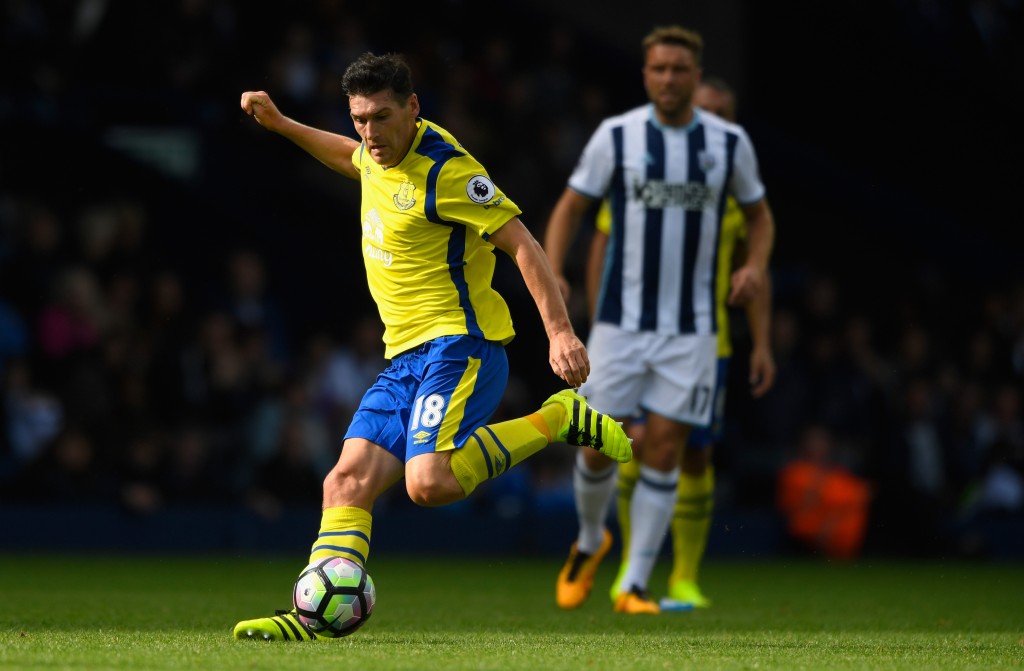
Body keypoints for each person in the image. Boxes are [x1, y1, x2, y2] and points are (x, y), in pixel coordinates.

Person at [234, 52, 632, 641]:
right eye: (360, 118)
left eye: (382, 117)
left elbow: (522, 244)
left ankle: (557, 419)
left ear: (413, 108)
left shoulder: (447, 170)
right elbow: (351, 159)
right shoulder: (372, 152)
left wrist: (560, 332)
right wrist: (285, 125)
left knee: (429, 484)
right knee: (344, 483)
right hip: (406, 357)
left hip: (459, 346)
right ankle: (311, 615)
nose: (369, 133)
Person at [544, 26, 775, 614]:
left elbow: (760, 215)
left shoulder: (728, 144)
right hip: (621, 326)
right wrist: (556, 274)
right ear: (645, 75)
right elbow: (572, 207)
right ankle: (591, 540)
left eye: (679, 69)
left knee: (667, 450)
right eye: (659, 69)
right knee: (596, 444)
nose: (669, 78)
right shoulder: (617, 137)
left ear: (697, 77)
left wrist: (754, 263)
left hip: (694, 329)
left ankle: (635, 583)